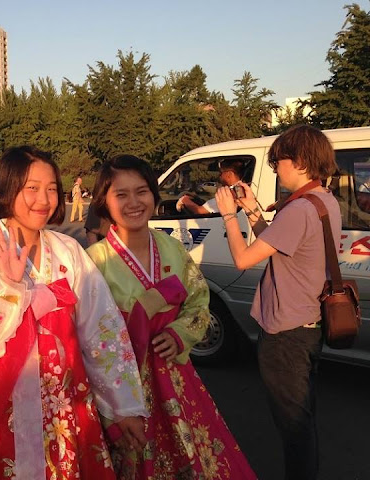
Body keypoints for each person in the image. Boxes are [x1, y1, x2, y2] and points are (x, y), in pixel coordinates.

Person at [0, 146, 147, 479]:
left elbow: (102, 328)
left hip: (61, 404)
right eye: (32, 188)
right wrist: (9, 290)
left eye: (51, 188)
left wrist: (124, 405)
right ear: (8, 190)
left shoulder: (68, 252)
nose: (44, 199)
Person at [87, 154, 256, 480]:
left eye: (142, 191)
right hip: (125, 392)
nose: (134, 202)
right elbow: (88, 340)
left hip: (176, 379)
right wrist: (112, 410)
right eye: (121, 195)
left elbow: (199, 301)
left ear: (154, 195)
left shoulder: (172, 249)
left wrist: (179, 333)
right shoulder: (93, 262)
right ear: (104, 202)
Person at [215, 125, 340, 480]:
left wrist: (228, 214)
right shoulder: (321, 200)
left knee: (294, 426)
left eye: (278, 162)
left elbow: (243, 259)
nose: (275, 170)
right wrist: (251, 209)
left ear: (299, 162)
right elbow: (273, 243)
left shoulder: (298, 209)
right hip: (308, 324)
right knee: (302, 416)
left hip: (286, 335)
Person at [176, 159, 245, 215]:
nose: (220, 176)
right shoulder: (243, 189)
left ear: (229, 174)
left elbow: (199, 211)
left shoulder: (228, 194)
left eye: (221, 173)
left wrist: (184, 199)